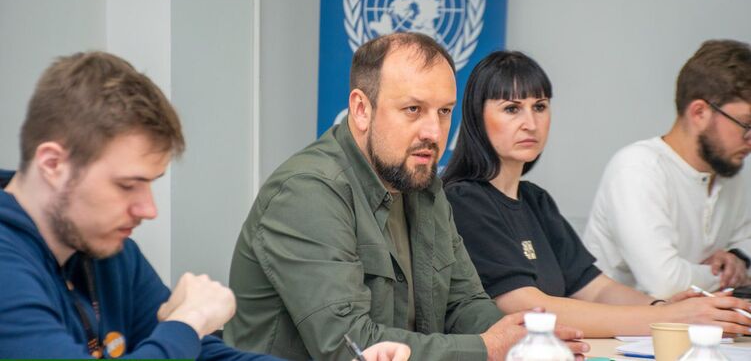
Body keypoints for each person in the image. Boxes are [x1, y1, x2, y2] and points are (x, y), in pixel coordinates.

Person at [0, 51, 408, 361]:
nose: (148, 209)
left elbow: (204, 356)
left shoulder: (108, 251)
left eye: (150, 185)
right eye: (127, 185)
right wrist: (189, 320)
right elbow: (181, 338)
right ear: (53, 164)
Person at [225, 33, 588, 361]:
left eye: (444, 112)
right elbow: (349, 345)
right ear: (361, 109)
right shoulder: (307, 192)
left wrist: (523, 341)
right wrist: (488, 348)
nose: (434, 132)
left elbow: (463, 303)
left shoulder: (422, 183)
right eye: (413, 109)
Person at [442, 50, 751, 337]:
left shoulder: (536, 200)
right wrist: (669, 318)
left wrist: (664, 307)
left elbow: (595, 288)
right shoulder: (465, 200)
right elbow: (527, 307)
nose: (531, 124)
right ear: (476, 117)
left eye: (540, 106)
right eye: (512, 109)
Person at [583, 39, 751, 298]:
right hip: (626, 322)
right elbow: (666, 284)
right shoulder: (637, 169)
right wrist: (729, 276)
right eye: (746, 125)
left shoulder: (728, 171)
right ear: (699, 112)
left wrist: (737, 258)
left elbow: (745, 246)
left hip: (700, 320)